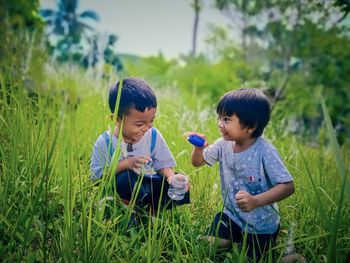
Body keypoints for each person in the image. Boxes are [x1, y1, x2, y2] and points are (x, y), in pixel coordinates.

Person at [190, 88, 295, 261]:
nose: (220, 124)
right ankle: (230, 239)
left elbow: (288, 186)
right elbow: (198, 162)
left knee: (251, 259)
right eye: (219, 117)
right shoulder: (223, 144)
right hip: (231, 215)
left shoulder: (265, 151)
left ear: (250, 126)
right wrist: (198, 148)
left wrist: (255, 201)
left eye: (226, 119)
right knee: (207, 243)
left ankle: (292, 257)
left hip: (260, 225)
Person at [90, 77, 190, 213]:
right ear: (117, 120)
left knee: (177, 184)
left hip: (147, 184)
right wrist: (126, 164)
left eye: (151, 121)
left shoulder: (153, 136)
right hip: (123, 188)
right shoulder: (105, 142)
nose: (147, 127)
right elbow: (97, 177)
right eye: (139, 124)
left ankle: (152, 209)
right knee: (126, 178)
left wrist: (171, 176)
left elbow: (163, 165)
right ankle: (128, 209)